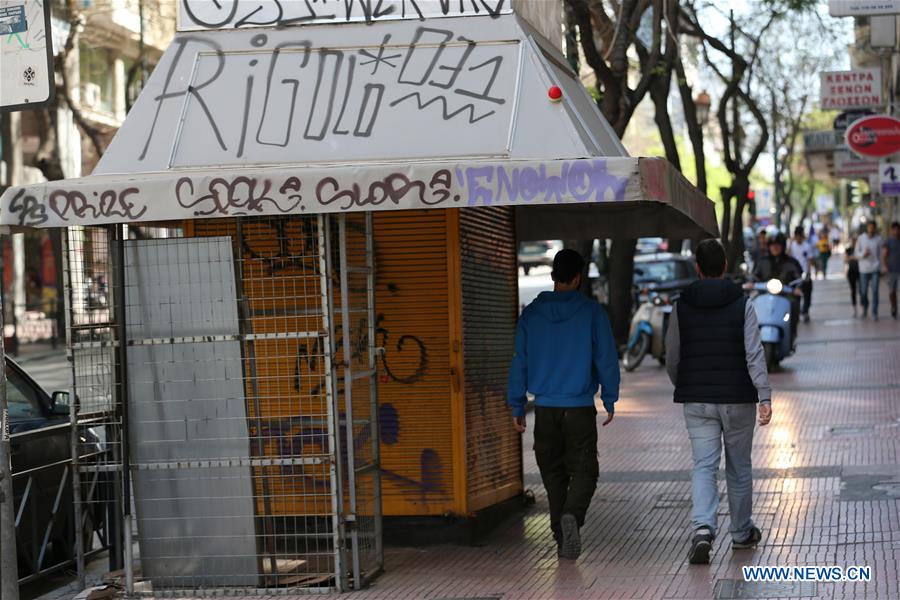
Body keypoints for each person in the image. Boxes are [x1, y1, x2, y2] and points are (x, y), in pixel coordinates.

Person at [507, 249, 620, 560]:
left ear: (554, 275)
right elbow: (606, 358)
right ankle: (571, 515)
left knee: (553, 473)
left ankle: (561, 534)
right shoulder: (591, 313)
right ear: (578, 277)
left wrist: (517, 405)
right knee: (585, 470)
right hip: (580, 407)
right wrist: (609, 396)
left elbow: (519, 362)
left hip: (544, 409)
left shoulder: (531, 314)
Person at [665, 239, 772, 565]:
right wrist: (764, 395)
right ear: (724, 266)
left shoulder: (681, 306)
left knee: (704, 465)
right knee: (739, 467)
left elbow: (672, 355)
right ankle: (741, 533)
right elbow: (754, 353)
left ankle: (702, 530)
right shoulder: (743, 304)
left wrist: (684, 383)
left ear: (697, 267)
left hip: (697, 400)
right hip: (738, 399)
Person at [755, 233, 804, 340]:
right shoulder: (762, 261)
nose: (775, 247)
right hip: (765, 295)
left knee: (794, 303)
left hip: (785, 295)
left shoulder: (792, 262)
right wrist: (750, 283)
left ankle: (791, 333)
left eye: (778, 245)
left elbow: (799, 278)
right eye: (772, 245)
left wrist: (797, 288)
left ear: (783, 246)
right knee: (750, 302)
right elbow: (754, 276)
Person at [855, 221, 884, 320]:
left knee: (875, 291)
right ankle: (865, 308)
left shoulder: (879, 239)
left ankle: (874, 312)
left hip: (875, 268)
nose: (871, 229)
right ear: (867, 228)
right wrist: (864, 254)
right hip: (863, 269)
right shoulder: (861, 238)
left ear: (875, 228)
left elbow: (881, 255)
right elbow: (856, 253)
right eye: (870, 227)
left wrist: (882, 267)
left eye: (873, 227)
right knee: (863, 291)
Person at [787, 227, 814, 322]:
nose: (798, 238)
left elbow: (810, 260)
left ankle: (805, 311)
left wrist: (809, 272)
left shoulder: (807, 246)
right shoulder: (792, 245)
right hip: (795, 275)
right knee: (795, 295)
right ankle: (797, 312)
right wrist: (790, 243)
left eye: (800, 236)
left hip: (805, 274)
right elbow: (788, 256)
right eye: (796, 236)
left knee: (807, 294)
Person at [884, 222, 900, 319]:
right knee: (892, 291)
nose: (897, 231)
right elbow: (884, 255)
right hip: (892, 269)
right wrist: (885, 266)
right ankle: (893, 307)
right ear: (892, 230)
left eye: (898, 229)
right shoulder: (889, 241)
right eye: (895, 229)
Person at [845, 236, 861, 317]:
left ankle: (863, 306)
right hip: (851, 272)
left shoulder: (861, 249)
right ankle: (855, 309)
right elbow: (845, 260)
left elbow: (861, 257)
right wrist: (853, 258)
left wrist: (853, 258)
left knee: (862, 290)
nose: (855, 242)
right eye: (853, 241)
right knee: (853, 290)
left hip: (861, 272)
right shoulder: (848, 249)